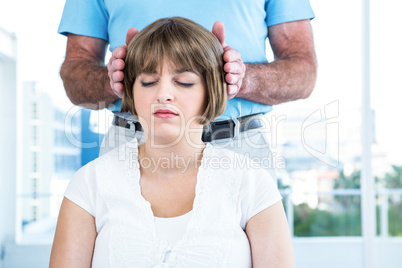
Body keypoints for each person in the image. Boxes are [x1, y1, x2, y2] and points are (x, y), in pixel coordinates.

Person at [50, 17, 294, 267]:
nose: (163, 94)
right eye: (147, 82)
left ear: (211, 91)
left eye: (184, 82)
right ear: (130, 91)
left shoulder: (252, 184)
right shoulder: (90, 184)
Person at [57, 0, 317, 168]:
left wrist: (242, 78)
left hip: (238, 148)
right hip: (130, 146)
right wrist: (111, 79)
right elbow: (74, 75)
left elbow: (304, 74)